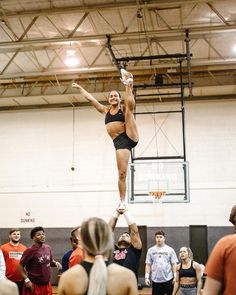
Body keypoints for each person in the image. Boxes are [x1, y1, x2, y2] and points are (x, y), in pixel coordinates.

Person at [72, 68, 138, 209]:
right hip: (119, 142)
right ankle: (122, 201)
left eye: (115, 96)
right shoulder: (105, 110)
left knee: (129, 111)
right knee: (121, 173)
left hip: (130, 135)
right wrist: (80, 88)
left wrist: (128, 88)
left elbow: (129, 105)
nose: (113, 97)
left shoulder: (123, 108)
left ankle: (128, 83)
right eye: (111, 96)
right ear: (109, 99)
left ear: (119, 99)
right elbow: (91, 99)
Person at [58, 217, 138, 295]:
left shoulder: (67, 278)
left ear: (83, 241)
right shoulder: (127, 276)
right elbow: (135, 234)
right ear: (109, 242)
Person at [19, 226, 62, 295]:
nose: (42, 236)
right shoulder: (30, 251)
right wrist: (27, 280)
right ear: (33, 238)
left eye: (43, 234)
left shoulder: (48, 248)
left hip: (47, 285)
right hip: (34, 285)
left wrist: (56, 263)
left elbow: (50, 262)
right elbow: (20, 266)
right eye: (39, 235)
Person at [109, 207, 142, 281]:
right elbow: (108, 231)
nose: (123, 235)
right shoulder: (112, 249)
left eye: (127, 236)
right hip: (113, 286)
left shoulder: (134, 250)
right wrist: (116, 213)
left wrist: (126, 213)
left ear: (131, 241)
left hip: (128, 287)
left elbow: (134, 232)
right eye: (122, 235)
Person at [145, 230, 178, 295]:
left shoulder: (170, 250)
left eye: (160, 237)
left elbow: (174, 264)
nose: (159, 239)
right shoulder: (150, 250)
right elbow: (148, 265)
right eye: (157, 237)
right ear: (155, 238)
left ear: (164, 238)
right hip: (156, 280)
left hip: (168, 279)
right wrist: (146, 277)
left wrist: (175, 276)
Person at [1, 228, 27, 294]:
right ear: (9, 236)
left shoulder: (24, 248)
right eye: (14, 234)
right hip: (7, 280)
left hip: (21, 280)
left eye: (18, 234)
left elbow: (26, 264)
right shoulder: (3, 248)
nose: (16, 235)